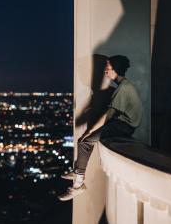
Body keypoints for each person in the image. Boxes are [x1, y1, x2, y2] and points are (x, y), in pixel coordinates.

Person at [58, 55, 143, 201]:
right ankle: (78, 172)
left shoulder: (123, 88)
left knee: (84, 141)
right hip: (122, 125)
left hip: (124, 127)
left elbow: (108, 115)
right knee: (84, 139)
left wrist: (89, 131)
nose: (105, 72)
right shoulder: (124, 86)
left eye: (108, 68)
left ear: (115, 70)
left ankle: (78, 185)